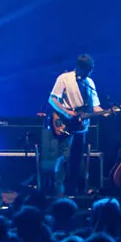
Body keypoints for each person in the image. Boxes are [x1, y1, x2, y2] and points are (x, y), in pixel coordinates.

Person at [45, 54, 100, 196]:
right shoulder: (64, 79)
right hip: (66, 125)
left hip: (81, 128)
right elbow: (52, 99)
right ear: (80, 67)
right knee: (63, 158)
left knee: (76, 161)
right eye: (88, 69)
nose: (90, 72)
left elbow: (96, 107)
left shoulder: (90, 83)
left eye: (91, 70)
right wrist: (67, 113)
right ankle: (59, 193)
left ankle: (73, 193)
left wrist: (108, 112)